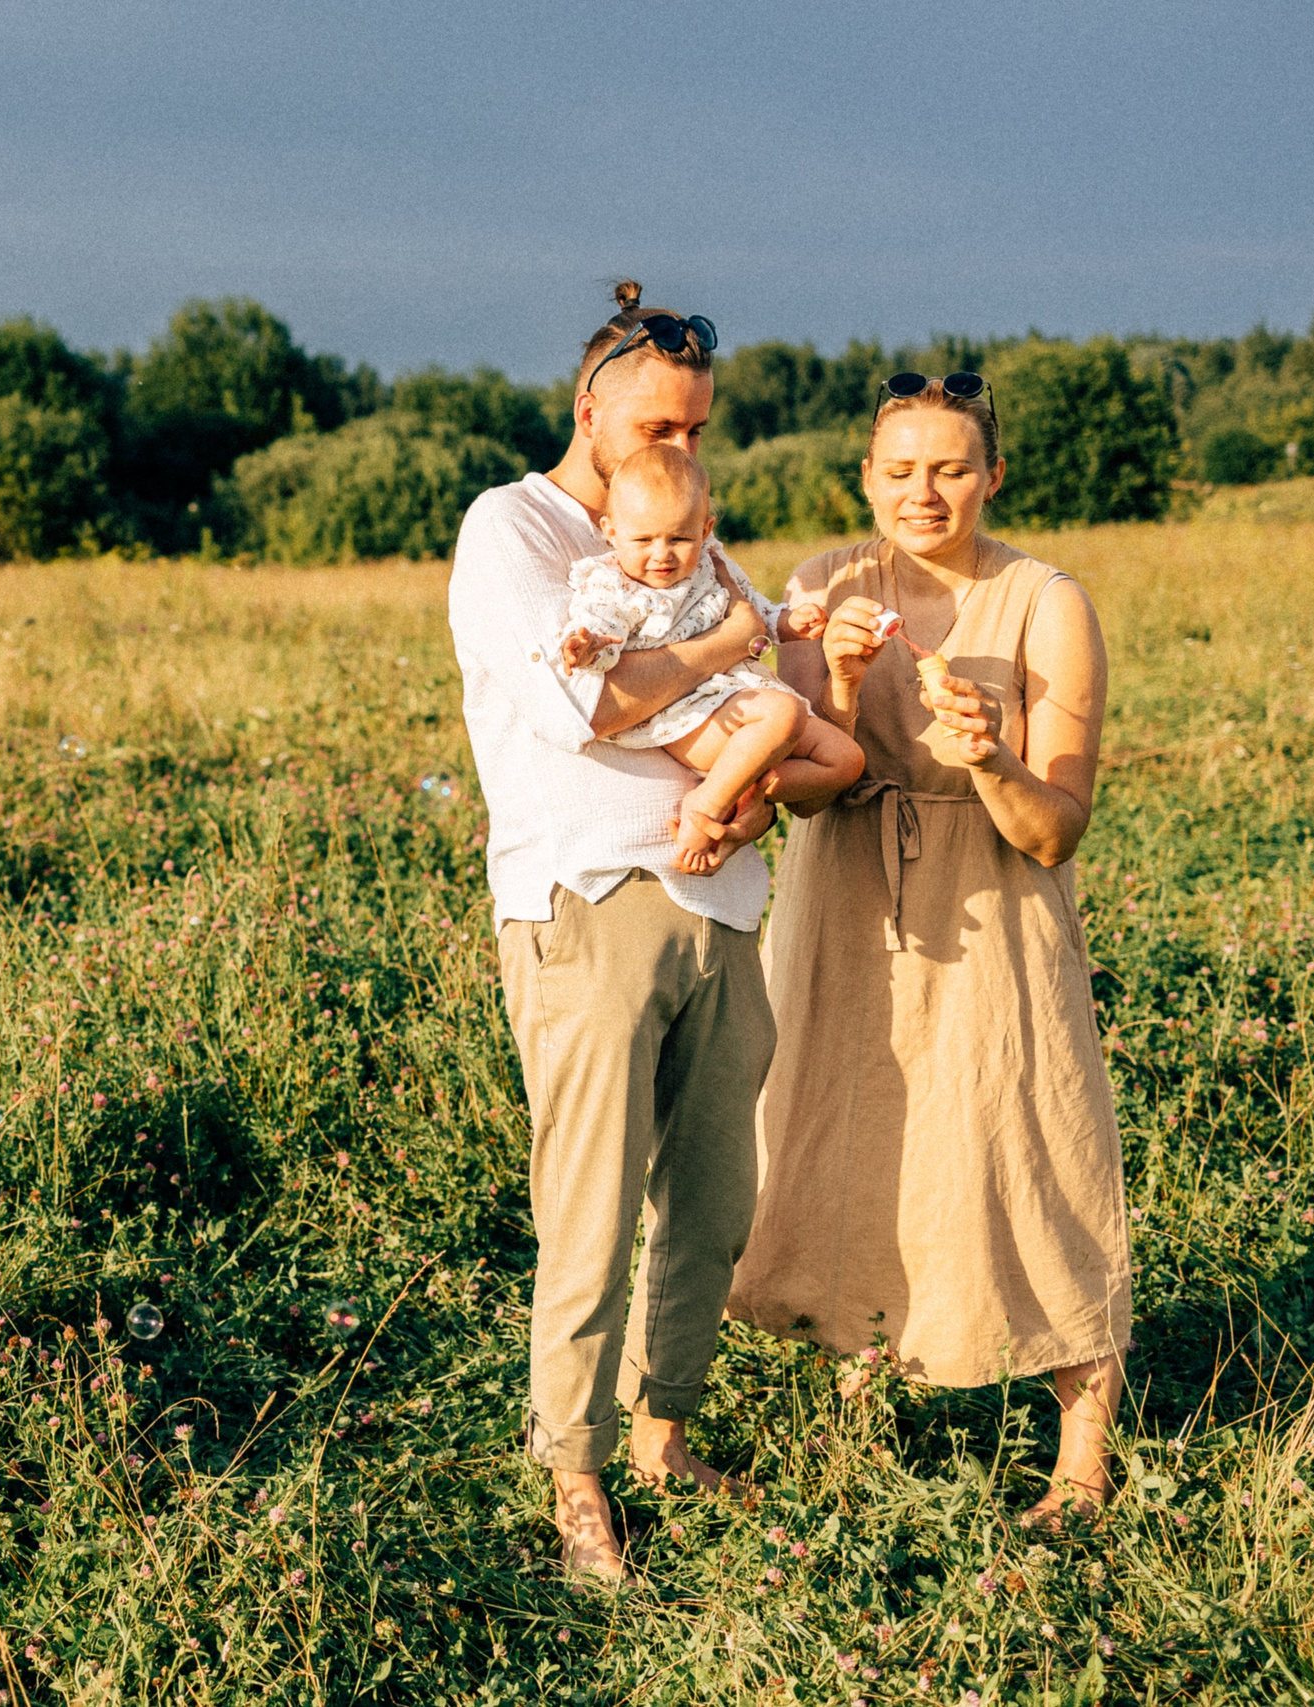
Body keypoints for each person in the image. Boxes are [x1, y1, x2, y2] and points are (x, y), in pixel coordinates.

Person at [447, 282, 851, 1581]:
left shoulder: (690, 535)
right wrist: (731, 635)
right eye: (656, 422)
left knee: (715, 1196)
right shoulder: (513, 528)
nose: (676, 445)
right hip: (586, 900)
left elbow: (767, 703)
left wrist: (743, 796)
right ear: (591, 409)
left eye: (696, 425)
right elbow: (596, 702)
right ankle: (576, 1474)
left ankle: (665, 1430)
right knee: (591, 1201)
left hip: (722, 902)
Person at [725, 371, 1130, 1527]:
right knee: (846, 1136)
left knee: (1029, 1143)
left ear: (990, 477)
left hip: (993, 899)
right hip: (845, 893)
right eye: (899, 469)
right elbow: (806, 796)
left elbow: (1054, 830)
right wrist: (843, 688)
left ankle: (1082, 1458)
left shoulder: (1047, 602)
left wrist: (991, 760)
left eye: (949, 468)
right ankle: (865, 1392)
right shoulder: (821, 585)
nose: (924, 491)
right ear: (865, 477)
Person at [557, 446, 863, 872]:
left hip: (738, 695)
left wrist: (790, 622)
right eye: (643, 539)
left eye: (679, 538)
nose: (661, 553)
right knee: (785, 713)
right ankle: (704, 805)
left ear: (705, 530)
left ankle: (744, 789)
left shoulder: (713, 565)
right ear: (610, 531)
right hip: (687, 712)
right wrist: (585, 646)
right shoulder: (613, 585)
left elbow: (754, 614)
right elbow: (600, 630)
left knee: (846, 760)